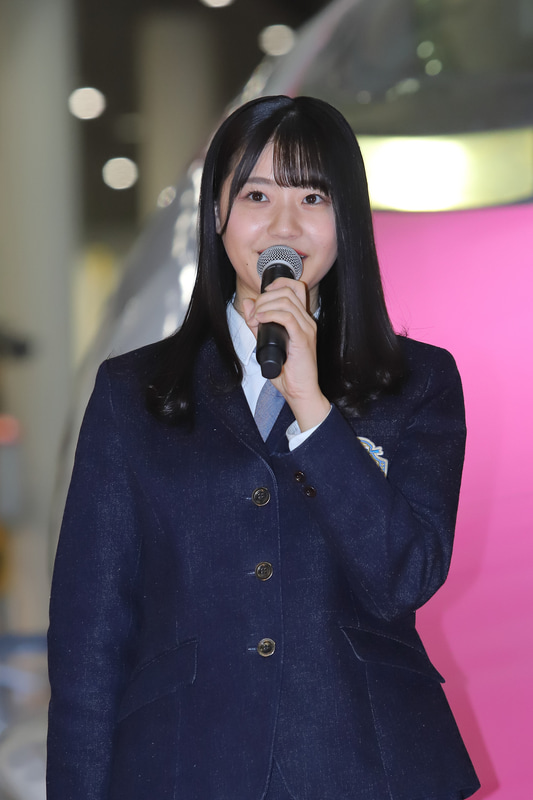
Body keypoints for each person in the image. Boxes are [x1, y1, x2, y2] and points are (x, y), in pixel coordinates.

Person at [46, 95, 480, 800]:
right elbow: (89, 637)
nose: (284, 224)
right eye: (256, 195)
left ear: (347, 217)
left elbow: (404, 577)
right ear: (217, 213)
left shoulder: (416, 382)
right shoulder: (134, 394)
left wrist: (313, 407)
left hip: (364, 767)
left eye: (313, 196)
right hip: (183, 767)